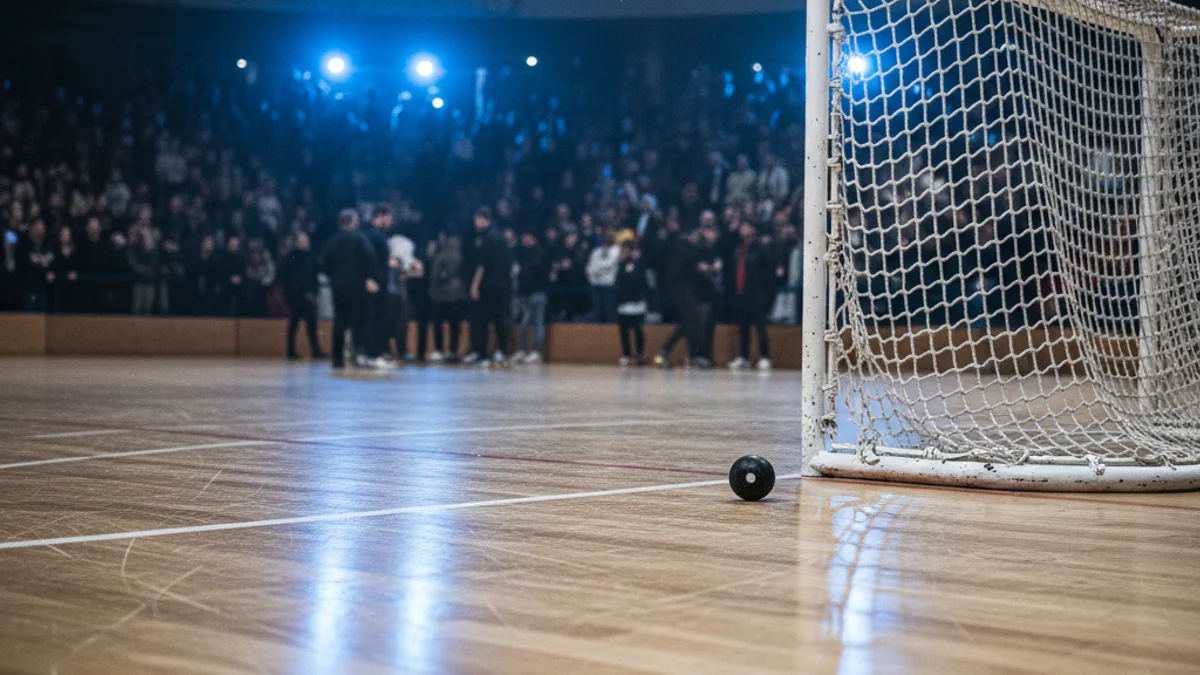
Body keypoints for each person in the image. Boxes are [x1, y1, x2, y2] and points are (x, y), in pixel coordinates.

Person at [320, 208, 382, 370]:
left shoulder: (332, 241)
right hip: (357, 287)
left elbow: (323, 264)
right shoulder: (360, 239)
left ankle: (337, 358)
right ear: (353, 222)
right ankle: (359, 355)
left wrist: (334, 278)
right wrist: (370, 277)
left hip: (338, 288)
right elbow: (370, 258)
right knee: (360, 321)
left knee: (340, 322)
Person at [466, 207, 512, 367]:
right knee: (499, 319)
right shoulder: (499, 236)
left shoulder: (488, 238)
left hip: (490, 286)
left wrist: (474, 286)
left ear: (486, 219)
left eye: (478, 219)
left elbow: (482, 265)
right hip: (501, 285)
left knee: (485, 319)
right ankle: (499, 351)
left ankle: (483, 352)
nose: (475, 223)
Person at [727, 219, 772, 371]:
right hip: (741, 293)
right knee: (743, 326)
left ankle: (765, 357)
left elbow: (768, 271)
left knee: (760, 326)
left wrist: (763, 290)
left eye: (746, 227)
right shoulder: (738, 249)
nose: (742, 230)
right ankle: (744, 357)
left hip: (757, 293)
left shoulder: (761, 248)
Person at [279, 233, 327, 360]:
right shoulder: (290, 258)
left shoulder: (312, 257)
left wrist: (314, 293)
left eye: (306, 241)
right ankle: (291, 351)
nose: (305, 243)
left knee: (312, 324)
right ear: (297, 243)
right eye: (302, 241)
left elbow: (314, 277)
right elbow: (285, 278)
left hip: (309, 296)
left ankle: (316, 350)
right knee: (293, 324)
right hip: (295, 296)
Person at [428, 232, 467, 363]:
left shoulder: (448, 253)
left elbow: (441, 273)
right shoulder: (451, 252)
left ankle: (445, 350)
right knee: (452, 324)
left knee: (445, 323)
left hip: (446, 293)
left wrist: (441, 276)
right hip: (450, 294)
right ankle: (451, 350)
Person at [364, 206, 395, 365]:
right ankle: (374, 353)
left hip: (380, 282)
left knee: (381, 317)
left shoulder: (379, 236)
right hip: (375, 283)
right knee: (376, 318)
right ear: (381, 217)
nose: (391, 221)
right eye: (389, 217)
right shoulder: (373, 236)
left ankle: (379, 351)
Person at [514, 231, 550, 363]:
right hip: (525, 294)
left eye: (526, 237)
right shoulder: (522, 253)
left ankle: (536, 352)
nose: (523, 240)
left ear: (533, 238)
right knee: (523, 324)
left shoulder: (540, 253)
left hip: (538, 293)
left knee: (538, 324)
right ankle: (522, 350)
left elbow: (534, 272)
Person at [615, 241, 648, 366]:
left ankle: (639, 354)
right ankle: (626, 354)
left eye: (628, 250)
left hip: (637, 303)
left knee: (638, 330)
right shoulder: (620, 264)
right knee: (623, 332)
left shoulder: (640, 264)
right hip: (623, 303)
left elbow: (643, 282)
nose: (626, 252)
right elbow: (618, 282)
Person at [16, 218, 54, 312]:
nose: (40, 231)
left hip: (43, 286)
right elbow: (26, 260)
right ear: (32, 228)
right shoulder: (24, 243)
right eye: (37, 228)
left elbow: (50, 260)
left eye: (42, 228)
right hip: (27, 285)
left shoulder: (47, 243)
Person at [585, 232, 621, 323]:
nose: (606, 243)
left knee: (609, 312)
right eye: (604, 241)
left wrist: (596, 268)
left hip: (609, 287)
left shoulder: (616, 251)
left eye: (608, 241)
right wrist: (595, 273)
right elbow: (589, 267)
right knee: (597, 312)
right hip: (596, 285)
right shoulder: (596, 251)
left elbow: (608, 264)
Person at [127, 226, 159, 315]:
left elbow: (155, 265)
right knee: (137, 307)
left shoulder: (154, 251)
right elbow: (133, 263)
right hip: (138, 280)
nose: (146, 236)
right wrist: (144, 271)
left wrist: (151, 249)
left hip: (150, 281)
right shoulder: (136, 248)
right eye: (144, 234)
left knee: (148, 308)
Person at [51, 226, 81, 313]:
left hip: (71, 285)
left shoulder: (75, 250)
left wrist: (75, 272)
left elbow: (78, 265)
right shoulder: (55, 249)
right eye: (63, 235)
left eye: (67, 235)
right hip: (58, 283)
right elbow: (53, 264)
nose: (65, 237)